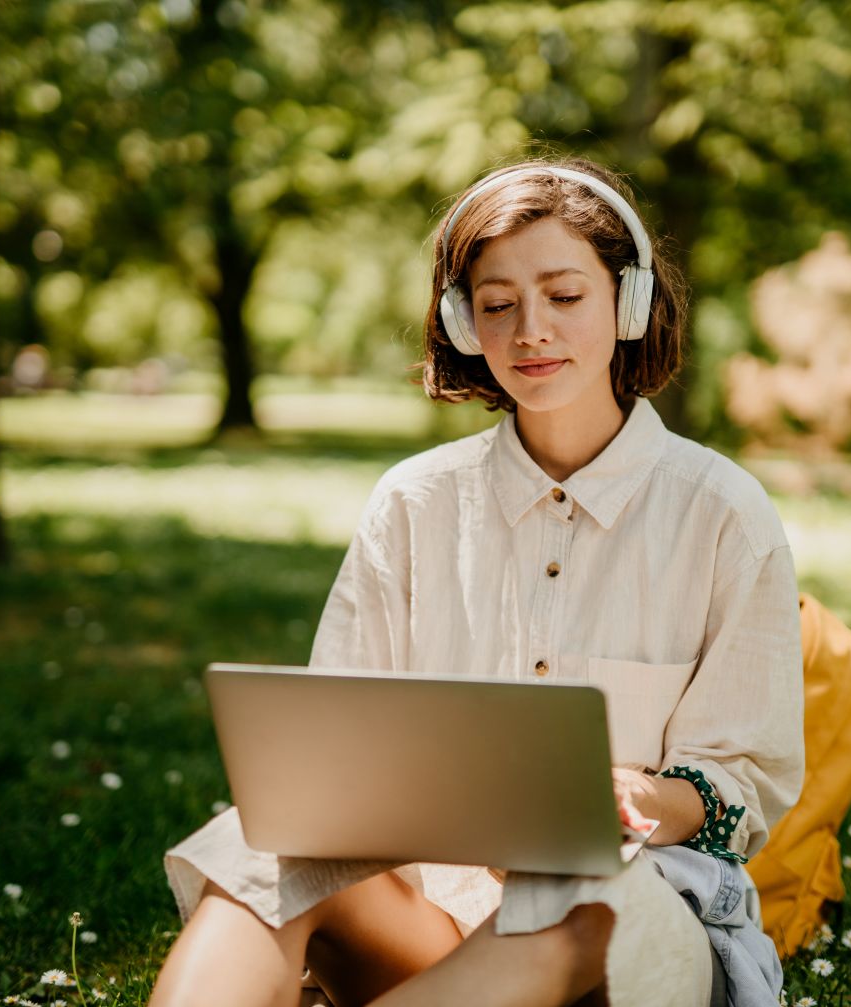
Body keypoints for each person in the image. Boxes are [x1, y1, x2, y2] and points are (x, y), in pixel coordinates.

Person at [147, 155, 806, 1007]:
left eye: (565, 296)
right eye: (498, 305)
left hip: (623, 940)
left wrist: (638, 796)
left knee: (579, 896)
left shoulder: (724, 512)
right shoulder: (413, 504)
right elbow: (336, 756)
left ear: (629, 304)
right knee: (264, 842)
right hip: (434, 932)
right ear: (465, 322)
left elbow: (743, 783)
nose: (531, 330)